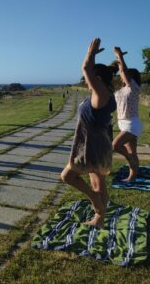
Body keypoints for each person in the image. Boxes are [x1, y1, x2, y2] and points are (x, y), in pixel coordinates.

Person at [61, 38, 116, 227]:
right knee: (98, 183)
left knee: (68, 177)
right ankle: (99, 218)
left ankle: (95, 201)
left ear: (98, 80)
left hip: (92, 148)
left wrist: (90, 55)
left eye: (91, 78)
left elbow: (86, 69)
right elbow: (91, 72)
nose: (86, 80)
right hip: (97, 145)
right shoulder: (101, 95)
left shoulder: (101, 96)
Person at [112, 47, 142, 182]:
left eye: (124, 75)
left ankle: (129, 159)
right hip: (123, 123)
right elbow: (120, 70)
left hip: (132, 124)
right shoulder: (121, 90)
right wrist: (117, 61)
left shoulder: (134, 88)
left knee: (115, 145)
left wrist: (119, 56)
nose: (122, 75)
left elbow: (123, 70)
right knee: (132, 152)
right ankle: (132, 177)